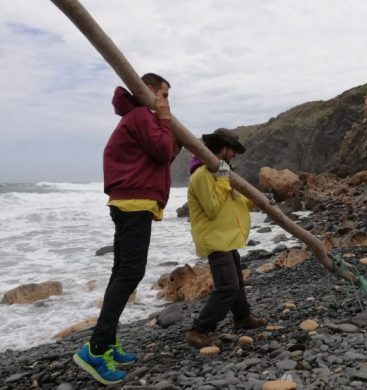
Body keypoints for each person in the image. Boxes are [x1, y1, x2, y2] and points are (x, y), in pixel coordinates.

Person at [73, 73, 181, 385]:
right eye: (163, 95)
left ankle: (108, 341)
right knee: (131, 272)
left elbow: (162, 153)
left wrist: (164, 125)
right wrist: (163, 117)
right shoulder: (142, 115)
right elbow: (162, 152)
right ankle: (95, 349)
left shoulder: (136, 118)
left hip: (128, 202)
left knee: (121, 271)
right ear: (148, 90)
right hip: (134, 202)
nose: (166, 103)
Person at [185, 129, 267, 349]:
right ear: (222, 148)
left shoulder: (222, 174)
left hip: (228, 238)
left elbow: (236, 201)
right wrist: (223, 180)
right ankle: (199, 330)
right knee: (227, 286)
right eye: (232, 150)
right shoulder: (202, 175)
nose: (233, 155)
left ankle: (242, 318)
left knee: (237, 282)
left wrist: (259, 201)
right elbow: (212, 209)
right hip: (215, 239)